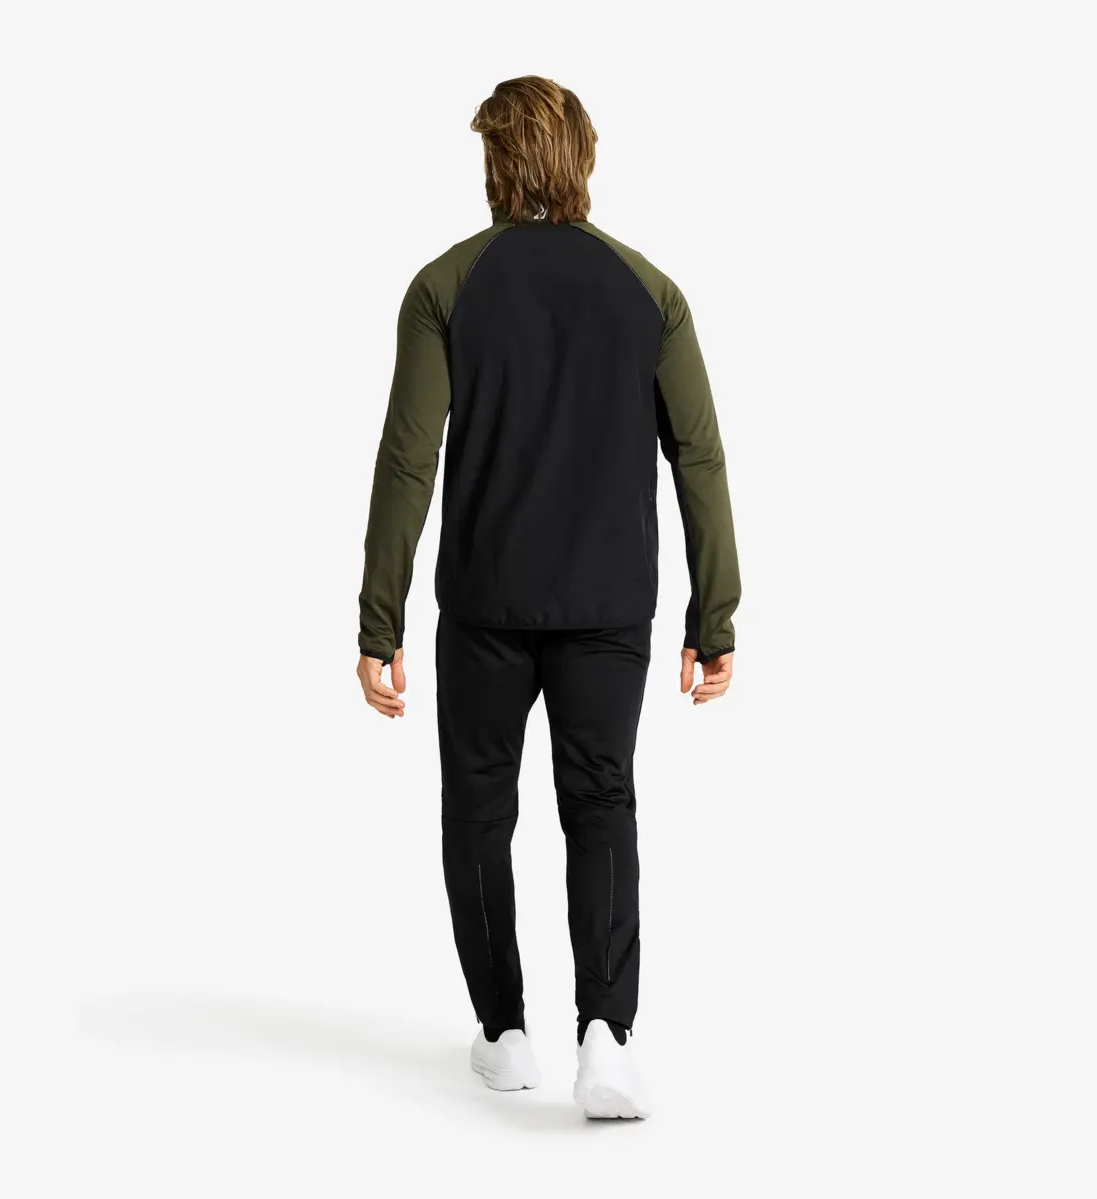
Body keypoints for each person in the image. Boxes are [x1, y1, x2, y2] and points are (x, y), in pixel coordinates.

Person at [356, 76, 740, 1119]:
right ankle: (607, 1036)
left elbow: (408, 461)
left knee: (479, 810)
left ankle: (505, 1031)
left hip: (485, 605)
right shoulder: (650, 290)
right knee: (601, 801)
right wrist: (715, 614)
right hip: (610, 606)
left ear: (495, 163)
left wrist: (379, 619)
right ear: (585, 158)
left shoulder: (445, 285)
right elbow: (699, 456)